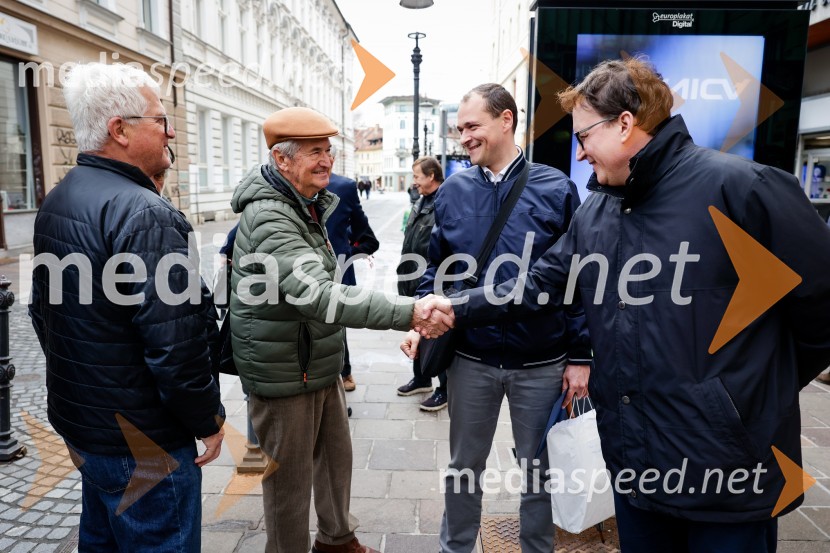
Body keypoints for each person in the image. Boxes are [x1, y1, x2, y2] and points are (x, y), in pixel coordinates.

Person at [416, 58, 830, 552]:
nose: (581, 151)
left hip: (724, 471)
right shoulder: (598, 209)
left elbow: (820, 308)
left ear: (626, 124)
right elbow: (541, 282)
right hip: (636, 468)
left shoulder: (744, 190)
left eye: (585, 135)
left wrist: (744, 396)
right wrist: (456, 307)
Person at [228, 106, 453, 553]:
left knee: (335, 458)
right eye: (314, 152)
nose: (327, 160)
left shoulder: (305, 203)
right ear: (282, 160)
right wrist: (409, 312)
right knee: (288, 484)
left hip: (316, 359)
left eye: (328, 150)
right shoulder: (271, 216)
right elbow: (319, 294)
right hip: (284, 369)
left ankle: (335, 540)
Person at [29, 63, 225, 552]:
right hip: (145, 446)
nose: (171, 130)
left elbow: (43, 316)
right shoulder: (145, 213)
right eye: (160, 119)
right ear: (120, 129)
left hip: (87, 431)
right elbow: (176, 348)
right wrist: (208, 420)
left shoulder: (60, 196)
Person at [403, 84, 592, 553]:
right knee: (464, 467)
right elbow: (434, 268)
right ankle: (457, 548)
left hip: (543, 360)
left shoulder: (556, 187)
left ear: (506, 120)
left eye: (472, 126)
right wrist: (422, 317)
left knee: (538, 472)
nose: (463, 137)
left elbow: (579, 279)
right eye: (459, 129)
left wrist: (581, 354)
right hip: (469, 357)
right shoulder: (453, 190)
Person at [396, 156, 449, 411]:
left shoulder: (445, 201)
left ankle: (445, 389)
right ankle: (421, 378)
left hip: (431, 280)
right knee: (416, 329)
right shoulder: (420, 201)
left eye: (417, 176)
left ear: (430, 175)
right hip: (411, 276)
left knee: (436, 334)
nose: (414, 181)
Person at [325, 172, 380, 391]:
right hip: (305, 268)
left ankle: (344, 372)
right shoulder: (287, 183)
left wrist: (347, 252)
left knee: (335, 324)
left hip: (336, 270)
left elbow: (368, 238)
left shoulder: (344, 186)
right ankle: (341, 375)